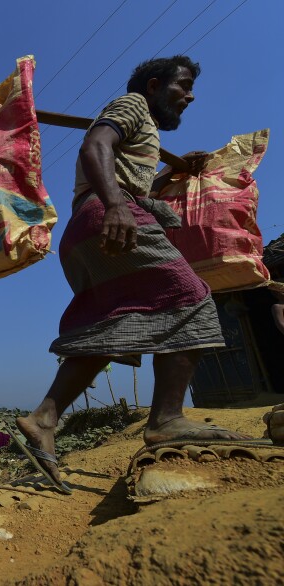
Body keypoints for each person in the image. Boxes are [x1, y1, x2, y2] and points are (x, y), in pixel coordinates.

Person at [14, 56, 249, 492]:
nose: (190, 96)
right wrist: (119, 206)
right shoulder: (132, 105)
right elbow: (95, 147)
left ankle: (43, 419)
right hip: (111, 214)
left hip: (86, 225)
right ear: (155, 84)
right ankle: (167, 419)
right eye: (183, 86)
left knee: (116, 322)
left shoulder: (144, 126)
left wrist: (168, 173)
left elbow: (126, 174)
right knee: (190, 297)